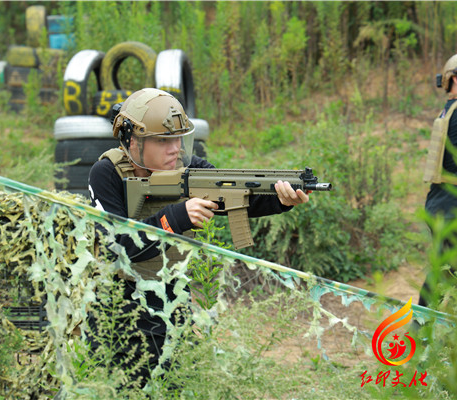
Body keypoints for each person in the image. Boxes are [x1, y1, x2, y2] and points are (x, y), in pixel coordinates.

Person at [86, 88, 309, 385]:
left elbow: (235, 195)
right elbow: (118, 246)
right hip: (118, 304)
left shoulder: (189, 169)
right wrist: (176, 217)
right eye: (164, 141)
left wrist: (281, 200)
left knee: (179, 382)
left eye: (178, 139)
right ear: (133, 140)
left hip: (172, 298)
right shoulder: (107, 174)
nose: (175, 149)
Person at [419, 52, 457, 308]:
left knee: (445, 273)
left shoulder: (452, 111)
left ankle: (423, 334)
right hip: (455, 210)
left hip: (444, 205)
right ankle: (420, 335)